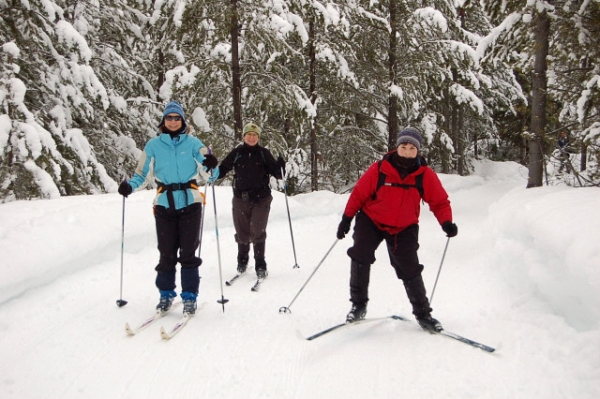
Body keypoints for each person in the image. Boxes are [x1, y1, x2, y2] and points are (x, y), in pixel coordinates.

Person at [336, 127, 458, 332]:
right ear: (397, 147)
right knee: (360, 255)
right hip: (372, 220)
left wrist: (446, 222)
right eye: (404, 147)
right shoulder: (380, 169)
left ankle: (423, 314)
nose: (407, 151)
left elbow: (440, 202)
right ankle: (358, 305)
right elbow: (359, 194)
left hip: (404, 226)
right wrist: (346, 219)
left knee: (409, 267)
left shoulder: (424, 175)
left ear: (417, 151)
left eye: (412, 148)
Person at [117, 101, 219, 316]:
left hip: (190, 202)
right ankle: (166, 294)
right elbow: (141, 175)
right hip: (164, 203)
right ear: (163, 121)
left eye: (177, 118)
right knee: (166, 253)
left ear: (183, 121)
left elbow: (210, 174)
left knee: (188, 252)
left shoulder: (193, 143)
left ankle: (190, 296)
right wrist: (129, 187)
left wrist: (212, 164)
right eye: (169, 118)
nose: (173, 121)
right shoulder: (153, 145)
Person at [213, 122, 285, 279]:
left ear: (258, 137)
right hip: (240, 198)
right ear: (244, 136)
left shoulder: (264, 153)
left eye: (255, 135)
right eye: (249, 135)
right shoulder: (237, 153)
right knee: (242, 232)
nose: (252, 137)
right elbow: (222, 170)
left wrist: (280, 167)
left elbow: (277, 174)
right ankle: (242, 261)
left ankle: (260, 264)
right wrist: (211, 167)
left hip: (261, 199)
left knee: (258, 231)